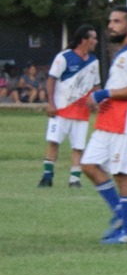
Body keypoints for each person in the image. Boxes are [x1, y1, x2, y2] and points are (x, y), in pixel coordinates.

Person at [80, 9, 127, 244]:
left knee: (121, 174)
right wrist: (101, 99)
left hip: (125, 123)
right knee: (88, 165)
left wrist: (104, 93)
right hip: (108, 122)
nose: (111, 25)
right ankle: (121, 213)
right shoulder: (123, 53)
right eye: (110, 21)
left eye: (117, 21)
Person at [40, 27, 99, 188]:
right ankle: (47, 177)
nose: (96, 41)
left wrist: (96, 102)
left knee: (78, 147)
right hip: (61, 110)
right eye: (93, 38)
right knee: (53, 142)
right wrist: (51, 104)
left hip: (82, 112)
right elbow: (52, 79)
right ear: (84, 40)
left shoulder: (94, 61)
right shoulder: (64, 57)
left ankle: (74, 180)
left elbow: (96, 85)